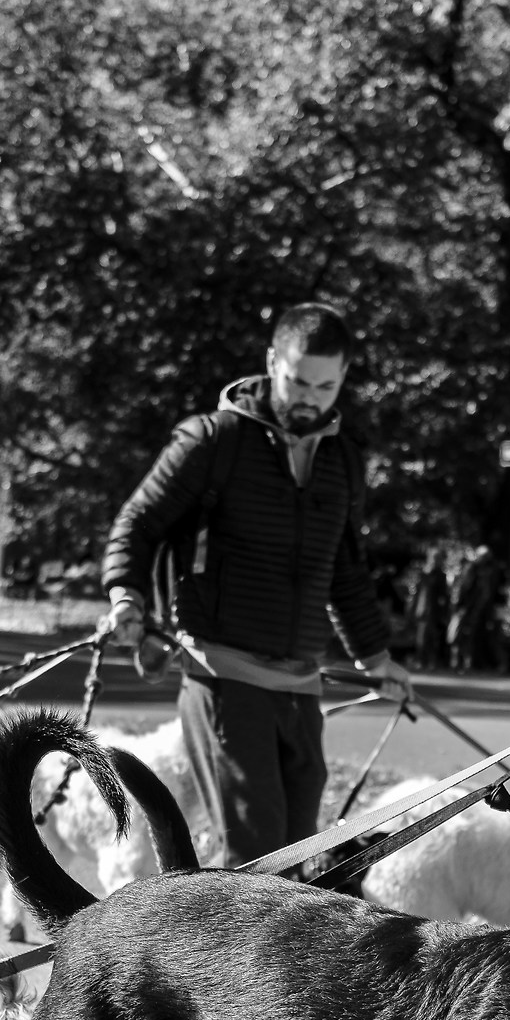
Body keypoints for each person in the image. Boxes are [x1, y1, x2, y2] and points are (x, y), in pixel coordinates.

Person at [101, 302, 410, 866]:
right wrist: (127, 595)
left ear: (342, 379)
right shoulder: (212, 441)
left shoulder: (342, 461)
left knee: (302, 860)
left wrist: (376, 657)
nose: (308, 397)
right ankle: (203, 954)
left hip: (300, 686)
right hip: (223, 679)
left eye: (325, 385)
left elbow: (344, 568)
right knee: (257, 856)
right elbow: (137, 523)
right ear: (272, 362)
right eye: (296, 380)